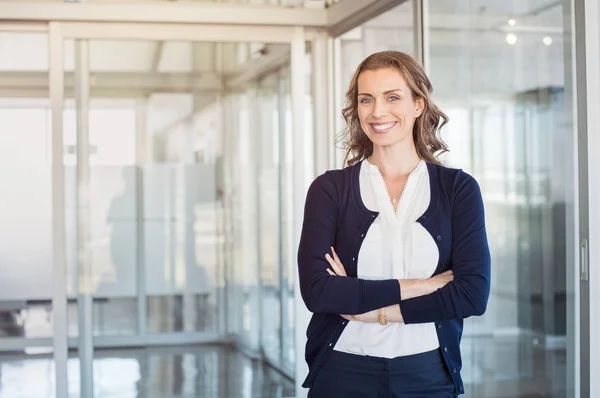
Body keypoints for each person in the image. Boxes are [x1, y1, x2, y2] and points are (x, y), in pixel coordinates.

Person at [297, 51, 491, 397]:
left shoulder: (457, 189)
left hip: (428, 375)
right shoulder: (330, 190)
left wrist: (373, 311)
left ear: (418, 104)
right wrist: (424, 284)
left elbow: (472, 295)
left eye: (392, 97)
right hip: (343, 371)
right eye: (366, 99)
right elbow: (319, 292)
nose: (378, 112)